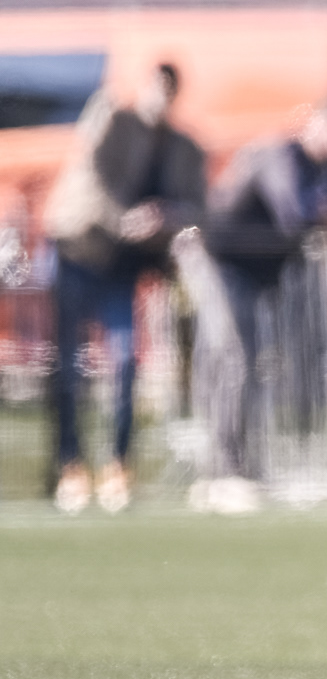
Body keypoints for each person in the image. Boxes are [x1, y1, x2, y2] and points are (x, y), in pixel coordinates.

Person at [43, 62, 205, 513]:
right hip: (79, 252)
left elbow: (195, 206)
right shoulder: (114, 121)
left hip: (120, 266)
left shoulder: (179, 146)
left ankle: (117, 466)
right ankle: (70, 467)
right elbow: (92, 176)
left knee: (125, 362)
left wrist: (165, 218)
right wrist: (125, 220)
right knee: (70, 369)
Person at [180, 101, 327, 489]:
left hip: (254, 273)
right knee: (235, 358)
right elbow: (293, 214)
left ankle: (241, 463)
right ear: (311, 127)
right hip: (219, 261)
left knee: (246, 362)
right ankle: (226, 470)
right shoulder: (280, 156)